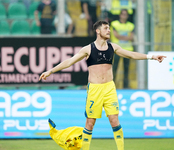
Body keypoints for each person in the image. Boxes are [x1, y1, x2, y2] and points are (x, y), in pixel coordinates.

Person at [39, 20, 166, 150]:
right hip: (95, 89)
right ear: (98, 31)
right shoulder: (88, 49)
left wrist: (152, 57)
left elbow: (132, 54)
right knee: (90, 123)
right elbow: (69, 62)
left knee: (114, 120)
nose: (109, 30)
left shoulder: (113, 47)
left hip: (109, 88)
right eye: (106, 28)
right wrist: (51, 71)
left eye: (109, 28)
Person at [110, 9, 134, 88]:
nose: (124, 16)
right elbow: (116, 35)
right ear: (120, 15)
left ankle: (125, 86)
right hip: (116, 50)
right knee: (114, 68)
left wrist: (121, 37)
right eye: (122, 14)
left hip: (127, 50)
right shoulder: (114, 24)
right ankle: (112, 85)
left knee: (126, 69)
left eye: (125, 14)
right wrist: (126, 37)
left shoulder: (131, 25)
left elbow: (131, 37)